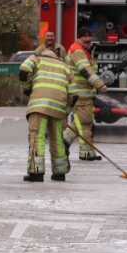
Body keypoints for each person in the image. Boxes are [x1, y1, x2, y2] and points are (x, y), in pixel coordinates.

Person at [19, 45, 77, 182]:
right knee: (57, 139)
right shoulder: (65, 66)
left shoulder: (37, 58)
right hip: (58, 108)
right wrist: (65, 112)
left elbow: (23, 72)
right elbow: (74, 96)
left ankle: (36, 173)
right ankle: (59, 172)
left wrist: (27, 88)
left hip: (39, 105)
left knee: (37, 137)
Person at [63, 27, 108, 161]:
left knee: (80, 123)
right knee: (86, 124)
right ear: (79, 38)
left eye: (90, 37)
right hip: (81, 95)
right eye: (85, 37)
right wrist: (100, 85)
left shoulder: (83, 50)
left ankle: (64, 143)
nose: (88, 39)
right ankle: (87, 154)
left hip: (84, 95)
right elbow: (85, 71)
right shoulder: (78, 51)